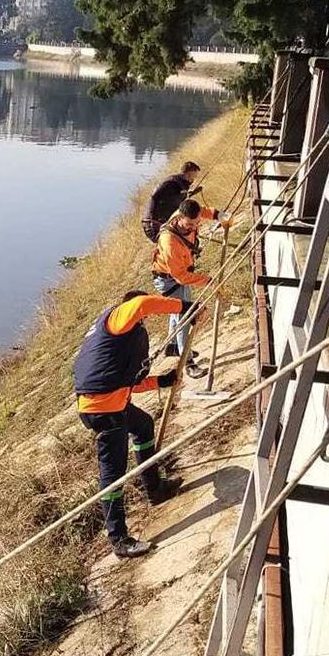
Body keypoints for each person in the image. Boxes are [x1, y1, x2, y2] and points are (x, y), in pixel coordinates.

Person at [73, 291, 206, 558]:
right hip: (103, 411)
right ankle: (119, 540)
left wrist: (161, 381)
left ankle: (154, 488)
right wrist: (186, 307)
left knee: (143, 424)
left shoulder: (118, 342)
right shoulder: (116, 318)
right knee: (113, 474)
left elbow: (126, 381)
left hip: (111, 403)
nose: (143, 320)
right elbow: (142, 303)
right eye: (141, 318)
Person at [152, 199, 230, 377]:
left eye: (196, 223)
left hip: (179, 275)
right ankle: (187, 363)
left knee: (177, 311)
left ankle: (173, 347)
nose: (193, 227)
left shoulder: (190, 213)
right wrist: (208, 281)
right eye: (189, 224)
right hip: (170, 279)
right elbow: (180, 277)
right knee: (184, 317)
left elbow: (203, 211)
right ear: (180, 217)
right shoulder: (169, 242)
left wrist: (219, 215)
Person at [142, 161, 204, 242]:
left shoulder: (181, 185)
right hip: (153, 224)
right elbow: (154, 197)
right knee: (170, 244)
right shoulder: (171, 182)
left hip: (161, 223)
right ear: (189, 173)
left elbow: (174, 199)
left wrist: (189, 193)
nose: (194, 179)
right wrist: (151, 219)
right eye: (194, 176)